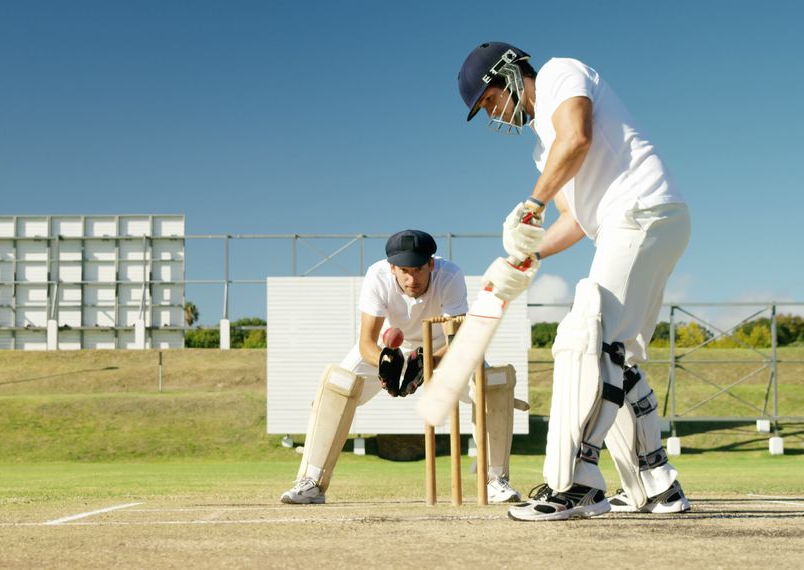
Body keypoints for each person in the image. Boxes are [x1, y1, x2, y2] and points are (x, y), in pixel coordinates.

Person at [457, 42, 692, 521]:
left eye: (489, 101)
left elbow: (578, 137)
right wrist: (526, 254)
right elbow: (577, 221)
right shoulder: (545, 148)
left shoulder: (561, 74)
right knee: (614, 355)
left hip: (640, 212)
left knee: (581, 340)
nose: (493, 114)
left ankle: (575, 484)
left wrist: (532, 204)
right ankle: (656, 485)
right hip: (634, 222)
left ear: (507, 73)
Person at [280, 229, 524, 505]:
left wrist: (428, 361)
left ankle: (495, 481)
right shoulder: (377, 276)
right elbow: (366, 343)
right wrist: (386, 364)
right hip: (391, 347)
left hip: (441, 346)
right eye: (404, 271)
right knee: (338, 385)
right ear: (392, 267)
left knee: (491, 384)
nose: (412, 279)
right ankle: (311, 482)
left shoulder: (450, 275)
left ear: (431, 264)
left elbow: (462, 339)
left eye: (419, 269)